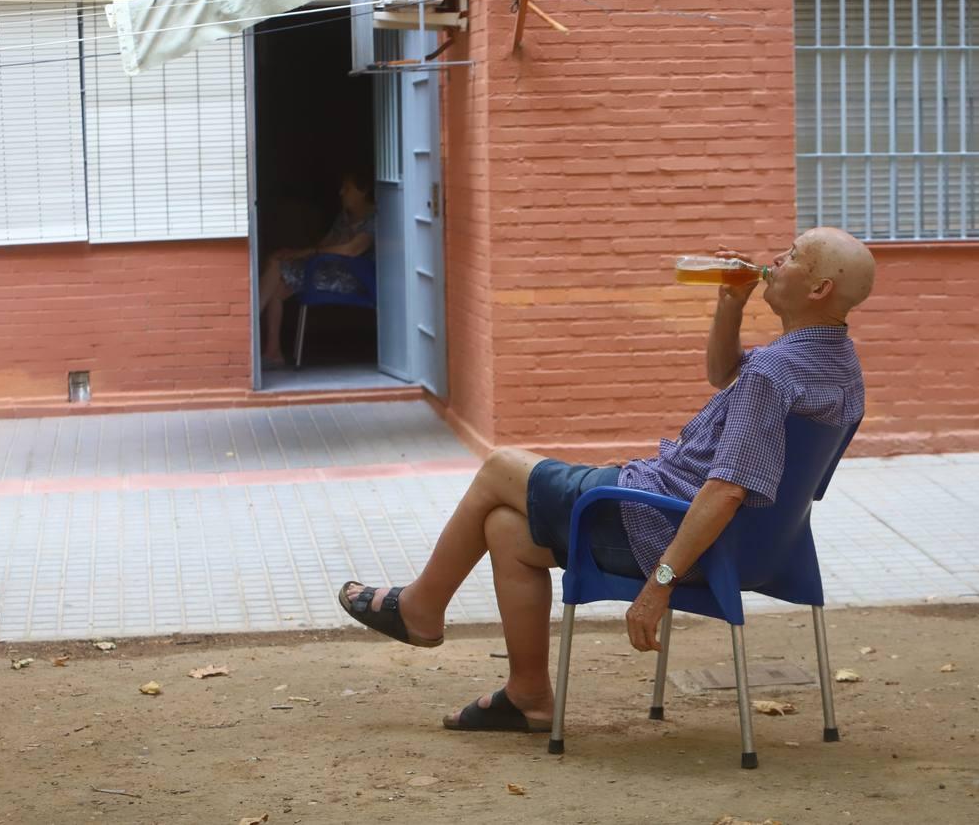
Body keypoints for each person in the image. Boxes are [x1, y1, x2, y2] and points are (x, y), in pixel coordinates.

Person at [337, 227, 877, 733]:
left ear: (818, 287)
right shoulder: (834, 363)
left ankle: (421, 608)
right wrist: (729, 305)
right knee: (505, 529)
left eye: (792, 256)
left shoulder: (774, 374)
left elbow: (727, 488)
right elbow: (722, 374)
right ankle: (529, 698)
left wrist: (658, 586)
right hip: (754, 546)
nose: (776, 260)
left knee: (500, 465)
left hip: (655, 520)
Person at [258, 174, 378, 368]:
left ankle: (248, 323)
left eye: (347, 188)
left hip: (354, 277)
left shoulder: (374, 218)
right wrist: (295, 254)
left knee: (275, 265)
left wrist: (308, 252)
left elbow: (351, 250)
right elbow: (323, 245)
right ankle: (273, 352)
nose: (341, 193)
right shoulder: (344, 217)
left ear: (363, 191)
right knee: (278, 285)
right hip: (327, 270)